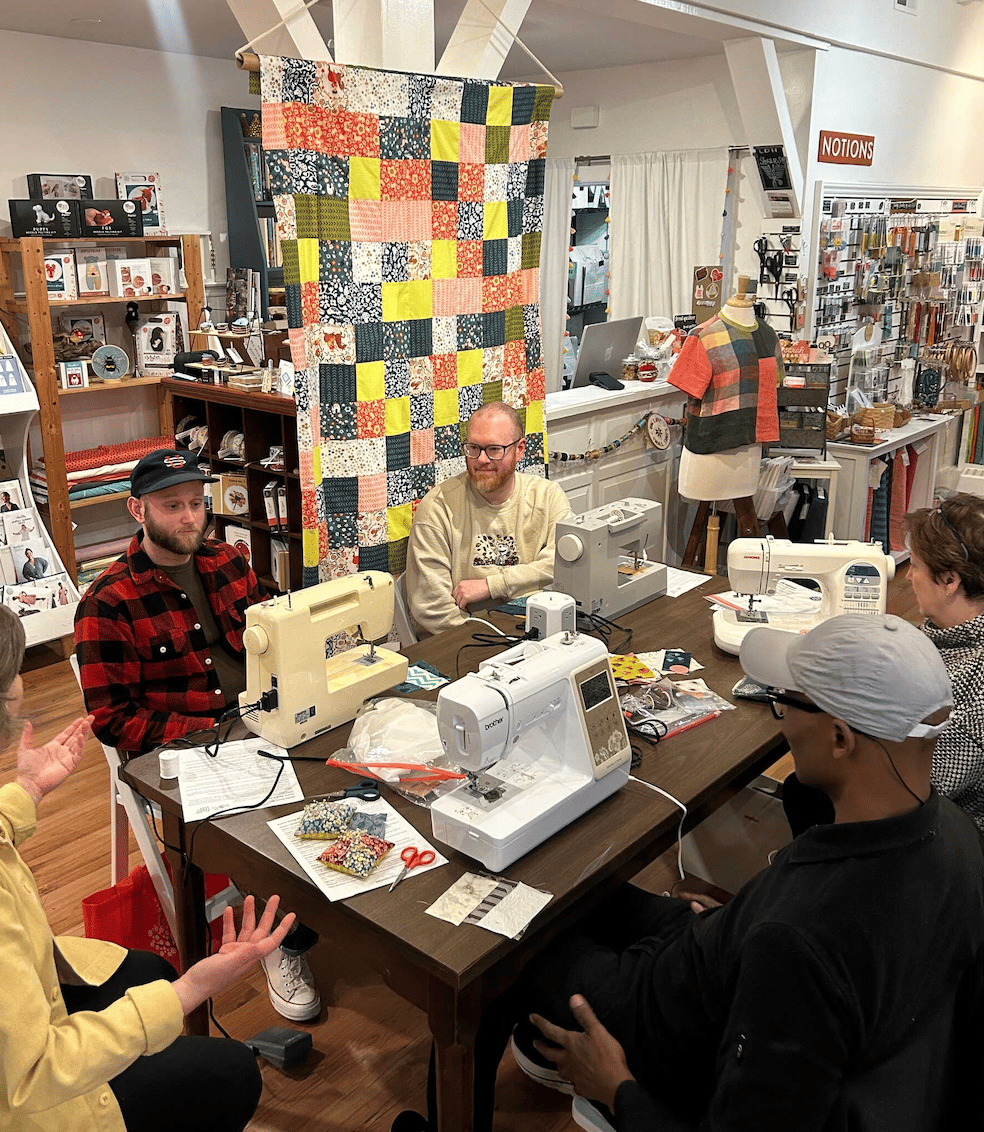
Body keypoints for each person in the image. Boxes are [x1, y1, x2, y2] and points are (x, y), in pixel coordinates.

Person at [394, 614, 984, 1132]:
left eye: (786, 703)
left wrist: (618, 1088)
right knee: (569, 893)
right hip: (718, 959)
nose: (780, 718)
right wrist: (742, 924)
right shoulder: (958, 839)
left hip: (662, 1025)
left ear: (839, 738)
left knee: (500, 946)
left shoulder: (800, 941)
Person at [0, 590, 296, 1132]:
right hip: (17, 1105)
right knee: (232, 1072)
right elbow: (31, 1075)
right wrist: (192, 989)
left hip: (7, 1006)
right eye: (13, 675)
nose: (21, 684)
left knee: (149, 970)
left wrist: (27, 790)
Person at [74, 448, 322, 1023]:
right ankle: (282, 941)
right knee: (259, 814)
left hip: (258, 717)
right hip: (189, 743)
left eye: (196, 503)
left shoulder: (229, 561)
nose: (190, 517)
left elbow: (273, 637)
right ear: (138, 510)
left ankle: (318, 906)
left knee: (343, 764)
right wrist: (212, 734)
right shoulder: (106, 602)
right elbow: (112, 718)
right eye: (172, 506)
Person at [405, 403, 571, 636]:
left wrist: (492, 586)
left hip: (534, 632)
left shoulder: (548, 496)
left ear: (520, 449)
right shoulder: (437, 508)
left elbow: (565, 564)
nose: (482, 459)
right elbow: (432, 608)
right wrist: (497, 641)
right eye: (473, 448)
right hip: (465, 640)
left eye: (494, 449)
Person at [904, 493, 984, 831]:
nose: (908, 576)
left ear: (950, 581)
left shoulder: (971, 688)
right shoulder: (952, 638)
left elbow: (911, 790)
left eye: (915, 565)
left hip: (949, 838)